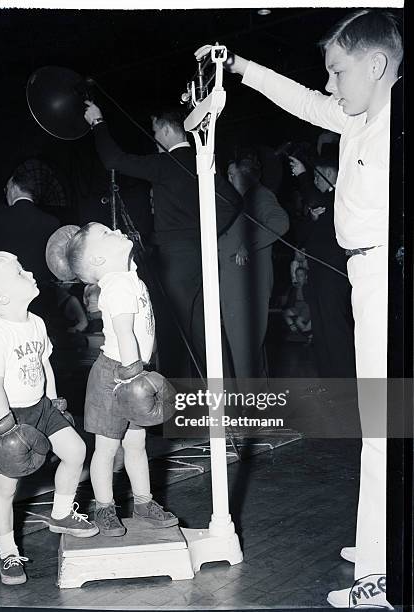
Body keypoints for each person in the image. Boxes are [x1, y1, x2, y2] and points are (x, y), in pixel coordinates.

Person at [197, 9, 402, 607]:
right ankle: (377, 545)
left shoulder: (391, 127)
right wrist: (240, 67)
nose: (331, 88)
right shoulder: (363, 114)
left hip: (384, 272)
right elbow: (309, 103)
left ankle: (384, 574)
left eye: (338, 73)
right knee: (379, 422)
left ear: (377, 64)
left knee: (386, 423)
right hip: (364, 272)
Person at [0, 251, 98, 586]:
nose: (31, 272)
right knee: (5, 489)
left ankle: (62, 513)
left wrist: (54, 400)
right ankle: (8, 553)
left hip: (41, 406)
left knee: (76, 451)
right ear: (2, 297)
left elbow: (44, 363)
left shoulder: (36, 323)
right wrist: (6, 426)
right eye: (20, 272)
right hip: (6, 415)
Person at [83, 103, 241, 379]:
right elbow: (233, 203)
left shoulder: (165, 164)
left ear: (167, 130)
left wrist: (98, 122)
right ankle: (227, 407)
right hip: (203, 256)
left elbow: (114, 160)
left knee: (171, 336)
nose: (154, 138)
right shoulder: (203, 161)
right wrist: (204, 231)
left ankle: (175, 408)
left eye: (156, 130)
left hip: (174, 262)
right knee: (209, 333)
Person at [46, 222, 178, 537]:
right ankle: (104, 507)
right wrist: (135, 377)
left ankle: (144, 503)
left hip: (135, 369)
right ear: (99, 263)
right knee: (107, 448)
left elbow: (125, 258)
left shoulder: (128, 276)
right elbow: (124, 334)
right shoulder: (116, 286)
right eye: (107, 234)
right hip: (116, 375)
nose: (116, 231)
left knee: (136, 443)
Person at [220, 152, 289, 379]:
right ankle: (257, 402)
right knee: (247, 351)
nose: (229, 181)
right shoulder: (241, 200)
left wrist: (248, 244)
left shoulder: (259, 195)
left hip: (246, 287)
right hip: (237, 285)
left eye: (233, 175)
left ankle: (249, 406)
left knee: (244, 351)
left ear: (248, 174)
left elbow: (280, 222)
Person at [289, 155, 356, 379]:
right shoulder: (319, 201)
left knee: (333, 325)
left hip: (333, 273)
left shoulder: (340, 195)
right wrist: (312, 219)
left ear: (329, 175)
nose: (315, 182)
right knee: (320, 327)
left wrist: (302, 175)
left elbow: (317, 200)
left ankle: (345, 379)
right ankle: (328, 380)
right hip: (316, 273)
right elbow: (301, 236)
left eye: (318, 177)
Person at [0, 170, 63, 325]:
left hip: (4, 298)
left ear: (14, 187)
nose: (6, 194)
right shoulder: (52, 222)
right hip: (41, 296)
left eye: (6, 189)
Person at [282, 266, 312, 340]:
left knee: (298, 321)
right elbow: (290, 299)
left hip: (306, 306)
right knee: (286, 313)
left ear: (306, 277)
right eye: (297, 276)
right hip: (297, 306)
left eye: (301, 275)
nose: (299, 278)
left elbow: (311, 301)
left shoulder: (308, 287)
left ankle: (309, 335)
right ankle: (294, 329)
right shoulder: (295, 287)